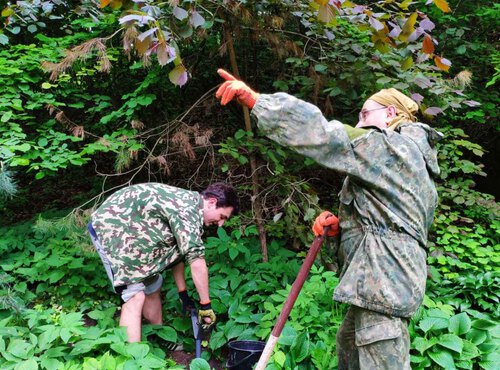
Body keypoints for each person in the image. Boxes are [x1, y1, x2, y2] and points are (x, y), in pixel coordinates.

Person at [216, 69, 442, 370]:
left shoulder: (393, 149)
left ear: (391, 113)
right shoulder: (410, 162)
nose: (360, 123)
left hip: (383, 288)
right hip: (380, 288)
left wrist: (258, 102)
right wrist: (342, 230)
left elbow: (326, 135)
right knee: (348, 350)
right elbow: (393, 226)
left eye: (365, 114)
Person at [87, 182, 239, 343]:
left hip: (136, 231)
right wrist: (206, 306)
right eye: (222, 217)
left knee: (153, 286)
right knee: (134, 296)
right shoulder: (186, 210)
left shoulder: (192, 207)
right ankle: (131, 358)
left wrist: (183, 293)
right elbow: (196, 261)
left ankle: (159, 338)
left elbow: (180, 253)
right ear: (212, 202)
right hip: (113, 229)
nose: (221, 223)